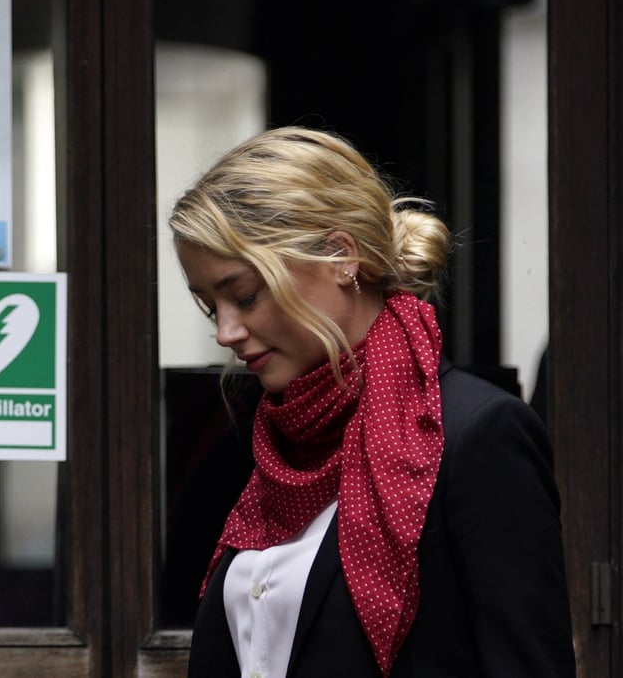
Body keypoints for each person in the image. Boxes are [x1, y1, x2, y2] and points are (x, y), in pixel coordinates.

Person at [170, 127, 575, 677]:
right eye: (208, 304)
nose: (225, 332)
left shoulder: (478, 436)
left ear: (341, 256)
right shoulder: (259, 444)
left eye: (244, 295)